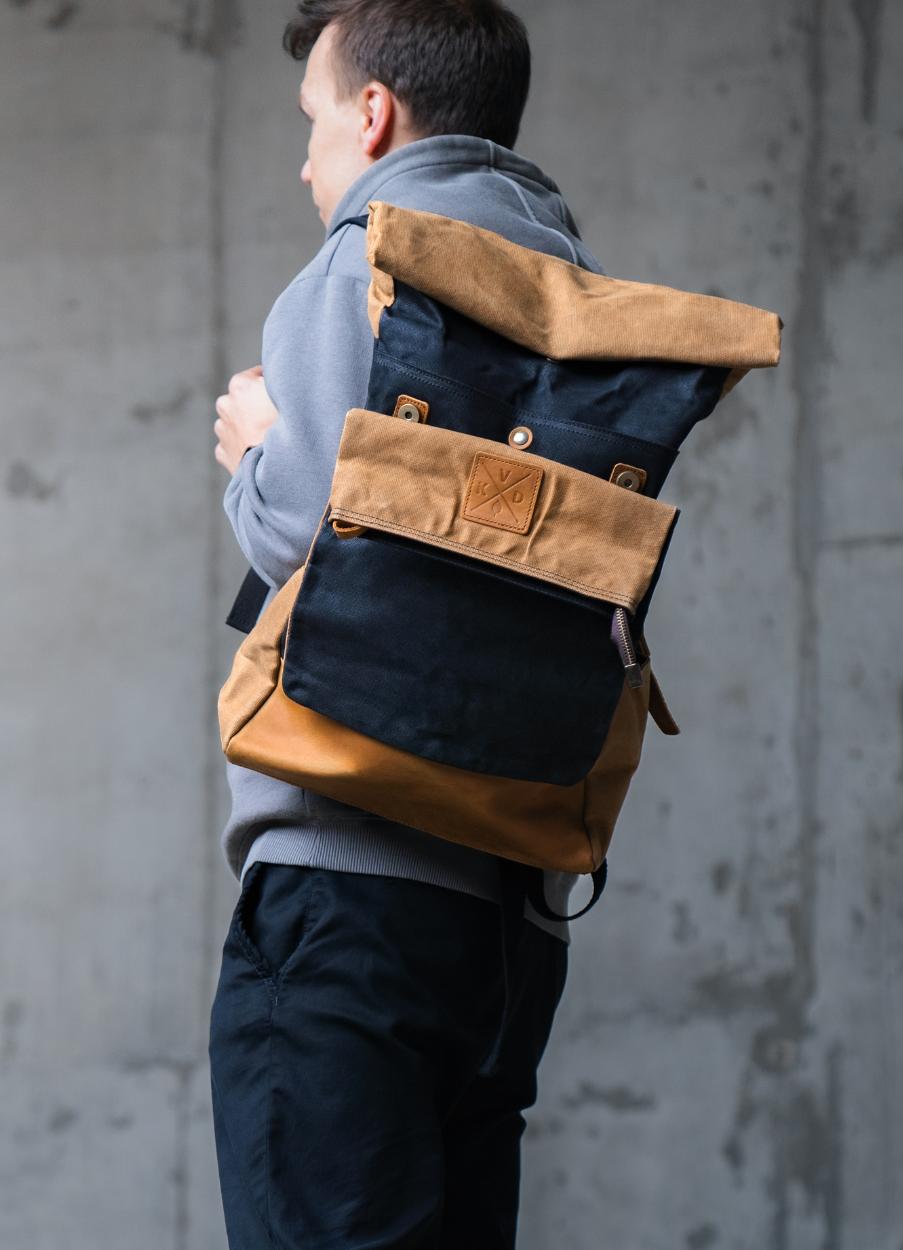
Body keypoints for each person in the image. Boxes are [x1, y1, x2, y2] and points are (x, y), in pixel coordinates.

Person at [207, 3, 600, 1245]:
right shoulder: (575, 297)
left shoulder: (367, 255)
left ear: (373, 113)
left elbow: (308, 539)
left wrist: (254, 450)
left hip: (345, 888)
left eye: (315, 121)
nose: (307, 159)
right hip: (505, 917)